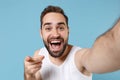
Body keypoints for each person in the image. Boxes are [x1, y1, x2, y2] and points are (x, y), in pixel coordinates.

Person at [24, 5, 120, 80]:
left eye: (61, 28)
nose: (55, 34)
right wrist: (28, 74)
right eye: (48, 28)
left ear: (68, 31)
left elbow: (101, 54)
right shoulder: (38, 56)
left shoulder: (79, 57)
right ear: (41, 33)